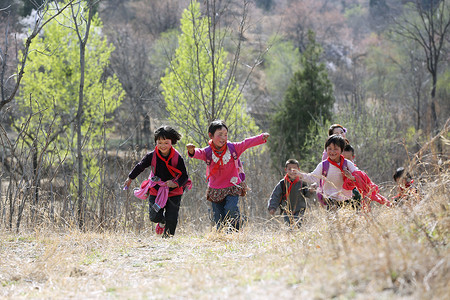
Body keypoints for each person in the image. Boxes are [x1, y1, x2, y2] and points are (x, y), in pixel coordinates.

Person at [187, 120, 270, 231]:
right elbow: (198, 153)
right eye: (220, 135)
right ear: (211, 136)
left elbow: (246, 143)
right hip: (215, 189)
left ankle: (235, 231)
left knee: (231, 208)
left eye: (225, 135)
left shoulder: (233, 148)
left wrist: (261, 138)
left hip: (232, 186)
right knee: (218, 218)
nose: (223, 138)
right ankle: (223, 237)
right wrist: (192, 150)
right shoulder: (208, 152)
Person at [124, 126, 189, 237]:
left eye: (166, 143)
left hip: (174, 192)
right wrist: (130, 178)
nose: (162, 146)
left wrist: (175, 183)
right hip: (156, 190)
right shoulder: (151, 156)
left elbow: (184, 176)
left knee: (172, 218)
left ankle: (167, 242)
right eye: (159, 142)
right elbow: (140, 167)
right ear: (156, 143)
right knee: (154, 215)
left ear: (172, 142)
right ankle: (162, 222)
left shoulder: (177, 157)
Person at [299, 134, 359, 210]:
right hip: (331, 201)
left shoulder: (347, 164)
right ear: (326, 150)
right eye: (329, 149)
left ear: (342, 150)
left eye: (335, 149)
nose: (332, 152)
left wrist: (351, 177)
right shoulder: (323, 165)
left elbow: (359, 176)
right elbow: (312, 177)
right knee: (332, 220)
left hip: (346, 200)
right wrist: (299, 175)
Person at [267, 159, 310, 227]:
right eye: (289, 169)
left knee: (298, 226)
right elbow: (275, 196)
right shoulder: (282, 183)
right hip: (287, 211)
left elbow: (307, 194)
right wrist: (272, 207)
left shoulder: (302, 182)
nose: (292, 171)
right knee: (289, 227)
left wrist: (311, 191)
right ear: (286, 170)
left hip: (300, 210)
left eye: (294, 169)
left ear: (298, 169)